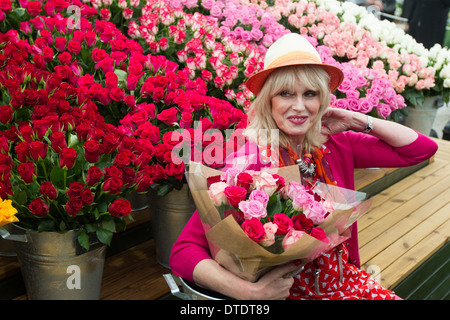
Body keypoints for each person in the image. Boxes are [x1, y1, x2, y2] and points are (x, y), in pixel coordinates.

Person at [169, 33, 438, 300]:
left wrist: (356, 119)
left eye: (310, 94)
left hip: (346, 280)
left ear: (322, 99)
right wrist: (250, 291)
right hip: (289, 293)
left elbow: (421, 150)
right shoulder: (249, 159)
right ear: (268, 101)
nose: (299, 107)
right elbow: (183, 252)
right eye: (285, 94)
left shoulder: (335, 142)